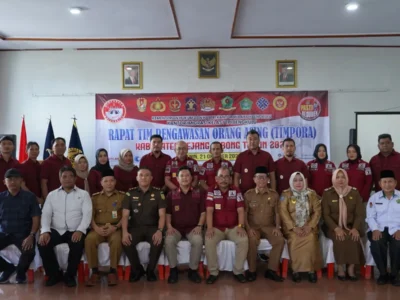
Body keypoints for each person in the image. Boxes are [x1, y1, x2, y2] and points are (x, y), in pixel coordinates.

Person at [38, 166, 92, 287]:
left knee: (77, 245)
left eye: (71, 176)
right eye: (64, 176)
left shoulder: (83, 195)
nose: (68, 179)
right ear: (60, 178)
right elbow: (46, 214)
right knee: (43, 242)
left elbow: (87, 215)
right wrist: (45, 231)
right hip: (56, 230)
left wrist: (80, 230)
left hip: (75, 230)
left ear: (75, 178)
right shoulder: (52, 195)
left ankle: (70, 275)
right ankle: (54, 274)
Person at [121, 167, 166, 282]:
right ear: (137, 178)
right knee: (126, 242)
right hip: (135, 228)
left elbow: (162, 215)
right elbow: (125, 215)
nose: (144, 177)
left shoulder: (158, 193)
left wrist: (160, 231)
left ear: (151, 178)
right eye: (141, 175)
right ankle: (137, 270)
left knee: (158, 241)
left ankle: (150, 271)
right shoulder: (130, 194)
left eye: (147, 175)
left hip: (153, 227)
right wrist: (125, 232)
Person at [205, 166, 248, 284]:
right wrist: (209, 228)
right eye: (221, 176)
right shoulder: (211, 190)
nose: (224, 179)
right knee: (209, 240)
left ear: (230, 179)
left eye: (226, 177)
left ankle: (238, 271)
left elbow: (240, 210)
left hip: (233, 227)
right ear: (216, 178)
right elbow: (209, 211)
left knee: (243, 240)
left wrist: (240, 226)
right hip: (217, 228)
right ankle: (213, 272)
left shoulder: (236, 190)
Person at [321, 169, 365, 281]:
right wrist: (336, 228)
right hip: (332, 227)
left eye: (343, 177)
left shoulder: (354, 192)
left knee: (353, 237)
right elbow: (325, 215)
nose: (340, 180)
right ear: (333, 179)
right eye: (338, 177)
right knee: (340, 237)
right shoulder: (327, 193)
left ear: (347, 178)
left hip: (351, 226)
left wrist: (355, 228)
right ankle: (340, 268)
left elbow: (359, 214)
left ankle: (351, 268)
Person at [165, 166, 206, 284]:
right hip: (176, 228)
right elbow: (168, 214)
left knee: (198, 241)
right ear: (177, 179)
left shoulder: (199, 193)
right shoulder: (171, 194)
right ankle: (173, 270)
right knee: (168, 241)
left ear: (192, 178)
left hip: (193, 228)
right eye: (181, 176)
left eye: (187, 175)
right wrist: (169, 227)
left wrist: (199, 226)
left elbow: (203, 213)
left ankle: (193, 270)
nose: (184, 178)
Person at [279, 172, 322, 283]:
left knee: (311, 238)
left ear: (304, 181)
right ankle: (295, 271)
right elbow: (283, 213)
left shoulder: (311, 194)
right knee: (294, 239)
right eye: (295, 180)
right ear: (291, 182)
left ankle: (311, 271)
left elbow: (317, 211)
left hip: (309, 227)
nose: (298, 183)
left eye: (300, 180)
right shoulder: (286, 194)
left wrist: (310, 226)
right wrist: (294, 228)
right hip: (292, 229)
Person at [85, 169, 125, 287]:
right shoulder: (95, 197)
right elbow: (90, 216)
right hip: (98, 228)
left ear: (115, 182)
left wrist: (116, 227)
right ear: (101, 183)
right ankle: (95, 272)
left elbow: (126, 216)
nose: (109, 183)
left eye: (111, 181)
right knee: (89, 240)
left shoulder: (122, 196)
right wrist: (95, 228)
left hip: (115, 228)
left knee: (117, 241)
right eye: (106, 181)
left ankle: (112, 271)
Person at [244, 166, 284, 282]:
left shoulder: (274, 194)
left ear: (268, 180)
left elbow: (277, 213)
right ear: (254, 179)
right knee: (251, 240)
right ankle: (252, 270)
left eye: (264, 178)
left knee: (279, 240)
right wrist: (248, 228)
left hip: (269, 227)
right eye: (259, 178)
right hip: (253, 227)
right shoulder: (248, 195)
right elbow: (244, 214)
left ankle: (271, 270)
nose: (261, 180)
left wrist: (277, 227)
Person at [0, 169, 40, 284]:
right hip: (4, 233)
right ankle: (7, 268)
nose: (13, 182)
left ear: (21, 181)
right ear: (4, 182)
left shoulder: (29, 197)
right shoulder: (1, 197)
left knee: (29, 251)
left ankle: (21, 273)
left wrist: (31, 235)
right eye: (10, 179)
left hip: (23, 233)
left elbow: (36, 217)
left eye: (16, 179)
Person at [366, 170, 400, 286]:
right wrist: (375, 229)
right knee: (377, 242)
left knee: (398, 244)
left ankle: (395, 274)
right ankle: (383, 273)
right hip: (379, 228)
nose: (387, 184)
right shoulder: (374, 198)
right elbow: (370, 216)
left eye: (390, 181)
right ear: (380, 184)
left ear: (395, 183)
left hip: (397, 229)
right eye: (384, 182)